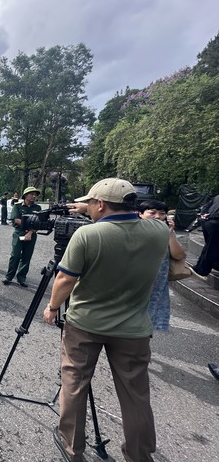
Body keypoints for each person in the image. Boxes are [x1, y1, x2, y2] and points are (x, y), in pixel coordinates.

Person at [42, 178, 169, 462]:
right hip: (133, 328)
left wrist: (52, 307)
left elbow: (65, 279)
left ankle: (73, 447)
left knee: (74, 384)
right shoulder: (158, 230)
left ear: (100, 204)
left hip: (86, 323)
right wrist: (83, 209)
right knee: (135, 395)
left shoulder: (88, 235)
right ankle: (139, 455)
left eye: (90, 203)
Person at [138, 200, 186, 331]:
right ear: (140, 214)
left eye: (162, 213)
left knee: (147, 325)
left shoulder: (167, 233)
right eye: (152, 213)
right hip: (133, 283)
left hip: (156, 286)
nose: (158, 217)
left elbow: (178, 255)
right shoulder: (132, 230)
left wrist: (169, 233)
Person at [3, 186, 41, 287]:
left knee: (26, 257)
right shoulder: (18, 206)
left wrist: (30, 232)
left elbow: (39, 223)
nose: (33, 196)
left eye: (35, 194)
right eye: (31, 194)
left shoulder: (37, 208)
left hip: (31, 235)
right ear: (25, 195)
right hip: (19, 233)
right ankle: (9, 276)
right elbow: (16, 219)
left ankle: (21, 278)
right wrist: (28, 228)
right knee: (15, 256)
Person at [193, 194, 219, 276]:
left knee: (209, 246)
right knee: (212, 248)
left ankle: (200, 267)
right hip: (215, 223)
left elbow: (206, 206)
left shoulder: (217, 196)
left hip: (207, 222)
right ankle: (202, 269)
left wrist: (204, 214)